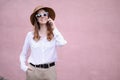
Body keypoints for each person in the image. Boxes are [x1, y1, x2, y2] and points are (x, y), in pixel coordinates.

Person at [19, 5, 67, 80]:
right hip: (33, 71)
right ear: (36, 18)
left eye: (45, 14)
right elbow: (23, 53)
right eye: (39, 15)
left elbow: (62, 43)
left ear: (48, 16)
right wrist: (24, 67)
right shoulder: (30, 35)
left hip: (50, 71)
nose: (42, 16)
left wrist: (54, 28)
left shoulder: (54, 34)